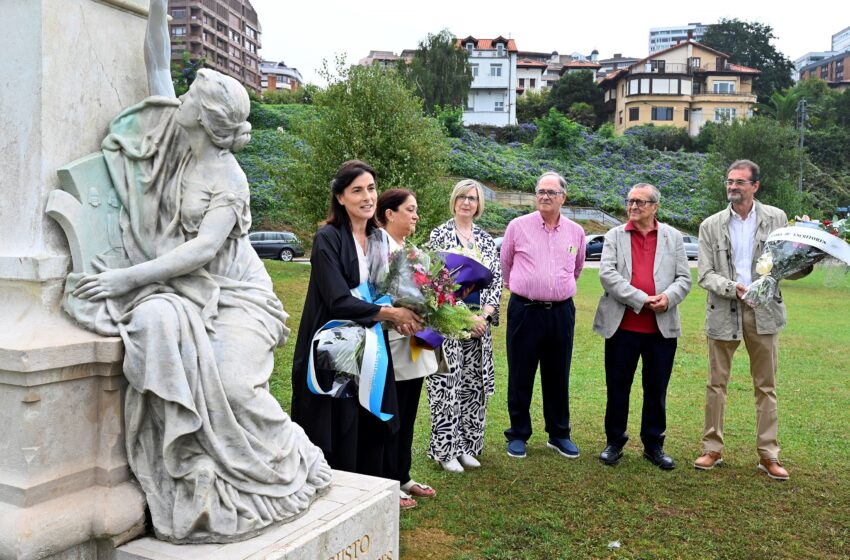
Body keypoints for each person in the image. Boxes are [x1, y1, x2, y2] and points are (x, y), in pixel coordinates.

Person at [68, 0, 331, 543]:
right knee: (161, 330)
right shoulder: (172, 137)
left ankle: (292, 459)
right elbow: (158, 61)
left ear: (207, 120)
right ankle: (193, 462)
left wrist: (126, 278)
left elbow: (201, 252)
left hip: (237, 294)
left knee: (234, 384)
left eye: (191, 96)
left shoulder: (229, 181)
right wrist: (156, 4)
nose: (180, 95)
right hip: (181, 290)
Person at [290, 161, 423, 479]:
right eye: (357, 190)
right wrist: (391, 313)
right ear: (340, 197)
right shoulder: (328, 238)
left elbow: (382, 294)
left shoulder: (379, 239)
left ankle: (370, 493)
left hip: (372, 348)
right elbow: (337, 300)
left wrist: (401, 317)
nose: (367, 197)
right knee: (340, 424)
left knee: (371, 424)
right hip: (333, 351)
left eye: (372, 188)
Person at [694, 159, 797, 481]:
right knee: (716, 384)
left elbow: (789, 264)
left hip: (764, 311)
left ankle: (769, 454)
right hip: (725, 309)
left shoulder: (777, 218)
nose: (732, 187)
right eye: (729, 181)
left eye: (739, 182)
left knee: (766, 386)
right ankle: (712, 448)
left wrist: (808, 256)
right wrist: (731, 288)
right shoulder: (710, 225)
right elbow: (705, 274)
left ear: (755, 186)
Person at [592, 183, 692, 470]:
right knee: (618, 388)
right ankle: (614, 442)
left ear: (655, 206)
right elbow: (607, 275)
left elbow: (684, 279)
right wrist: (642, 299)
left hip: (661, 330)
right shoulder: (614, 235)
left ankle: (653, 445)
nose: (633, 207)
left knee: (656, 389)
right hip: (622, 328)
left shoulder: (673, 237)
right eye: (630, 201)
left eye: (640, 202)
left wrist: (668, 297)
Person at [500, 171, 585, 459]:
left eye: (551, 192)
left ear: (563, 197)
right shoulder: (517, 226)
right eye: (540, 192)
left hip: (561, 313)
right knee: (520, 373)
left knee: (558, 374)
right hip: (525, 310)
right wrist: (526, 288)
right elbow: (506, 265)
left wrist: (556, 288)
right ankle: (518, 433)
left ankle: (559, 433)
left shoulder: (576, 232)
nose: (545, 197)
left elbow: (577, 267)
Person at [427, 179, 503, 473]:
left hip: (479, 326)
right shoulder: (439, 235)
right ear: (454, 201)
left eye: (472, 198)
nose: (467, 203)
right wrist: (463, 316)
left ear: (479, 204)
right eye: (462, 197)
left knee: (474, 387)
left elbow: (496, 280)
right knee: (446, 385)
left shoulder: (485, 239)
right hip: (447, 323)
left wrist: (483, 316)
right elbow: (432, 282)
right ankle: (446, 450)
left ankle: (468, 446)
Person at [375, 188, 438, 509]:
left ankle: (403, 474)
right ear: (390, 213)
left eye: (416, 210)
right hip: (389, 339)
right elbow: (372, 293)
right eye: (410, 210)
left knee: (410, 409)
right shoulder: (376, 248)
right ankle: (386, 479)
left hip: (416, 340)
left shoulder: (413, 252)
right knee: (392, 411)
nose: (415, 216)